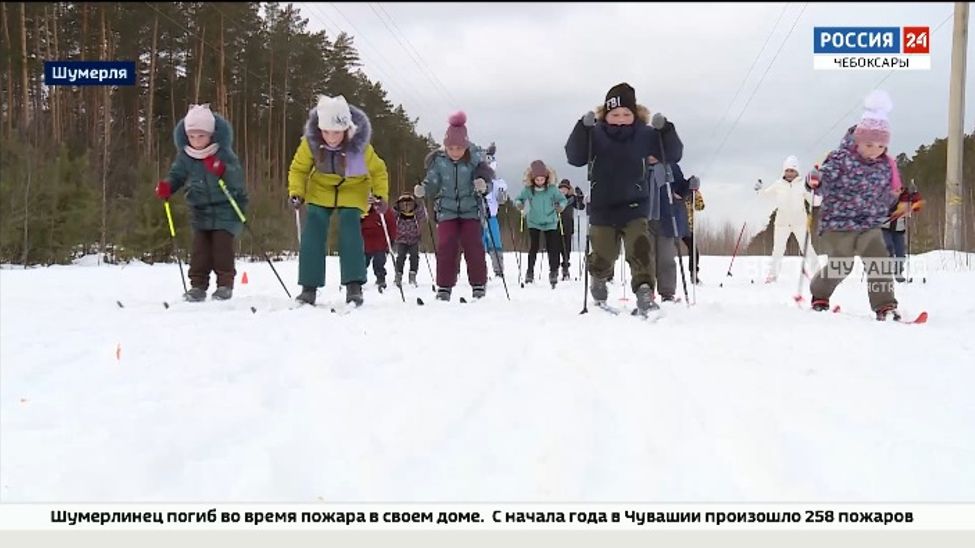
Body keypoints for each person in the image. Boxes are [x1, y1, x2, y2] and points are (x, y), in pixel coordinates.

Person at [565, 82, 683, 316]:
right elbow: (574, 157)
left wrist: (666, 131)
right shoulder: (595, 134)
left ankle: (645, 293)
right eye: (615, 114)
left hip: (635, 205)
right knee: (603, 254)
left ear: (635, 113)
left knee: (640, 250)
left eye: (626, 114)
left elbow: (672, 154)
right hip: (602, 207)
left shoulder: (644, 134)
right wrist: (582, 128)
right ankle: (598, 281)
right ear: (605, 114)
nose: (620, 119)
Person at [807, 90, 905, 321]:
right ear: (857, 141)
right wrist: (816, 179)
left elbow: (886, 197)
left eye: (881, 146)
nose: (875, 151)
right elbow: (825, 180)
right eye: (869, 145)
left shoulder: (885, 166)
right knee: (842, 264)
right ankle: (819, 293)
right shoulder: (841, 158)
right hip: (838, 223)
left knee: (879, 260)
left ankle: (885, 306)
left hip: (868, 224)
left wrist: (896, 201)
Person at [288, 95, 389, 307]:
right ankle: (309, 287)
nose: (331, 138)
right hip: (321, 188)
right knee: (314, 224)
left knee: (350, 224)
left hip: (353, 189)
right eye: (326, 132)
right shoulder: (312, 143)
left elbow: (379, 171)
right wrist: (297, 192)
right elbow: (298, 169)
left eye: (336, 132)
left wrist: (381, 196)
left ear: (346, 129)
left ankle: (354, 285)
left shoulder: (359, 146)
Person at [156, 104, 248, 302]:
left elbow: (237, 178)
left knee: (222, 247)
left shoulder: (222, 153)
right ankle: (197, 286)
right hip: (200, 210)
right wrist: (167, 187)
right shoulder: (186, 156)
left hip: (226, 207)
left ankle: (224, 284)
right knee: (200, 250)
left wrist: (221, 169)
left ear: (211, 135)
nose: (196, 141)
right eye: (192, 137)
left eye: (201, 136)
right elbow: (177, 175)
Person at [413, 111, 495, 301]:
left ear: (466, 146)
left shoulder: (475, 160)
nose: (455, 152)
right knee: (446, 245)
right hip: (447, 211)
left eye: (459, 148)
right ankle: (444, 286)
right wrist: (423, 190)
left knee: (473, 245)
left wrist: (483, 186)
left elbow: (487, 182)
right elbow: (432, 182)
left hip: (471, 211)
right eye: (451, 148)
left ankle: (478, 284)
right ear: (446, 147)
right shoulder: (440, 162)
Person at [755, 155, 819, 283]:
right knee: (778, 250)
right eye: (787, 170)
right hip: (782, 223)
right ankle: (772, 275)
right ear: (784, 171)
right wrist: (759, 189)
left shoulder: (802, 185)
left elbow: (813, 201)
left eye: (792, 171)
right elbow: (766, 194)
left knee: (807, 248)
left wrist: (818, 190)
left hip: (799, 222)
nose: (789, 173)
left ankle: (818, 274)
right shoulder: (779, 184)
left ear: (797, 172)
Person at [515, 161, 568, 287]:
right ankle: (530, 272)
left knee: (552, 248)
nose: (540, 181)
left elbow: (562, 200)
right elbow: (519, 198)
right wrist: (519, 204)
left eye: (542, 179)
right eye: (537, 179)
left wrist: (560, 207)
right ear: (533, 179)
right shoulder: (529, 190)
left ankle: (553, 271)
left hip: (551, 221)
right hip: (534, 221)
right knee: (534, 247)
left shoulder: (552, 189)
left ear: (546, 177)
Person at [649, 159, 690, 302]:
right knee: (647, 258)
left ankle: (667, 293)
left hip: (666, 219)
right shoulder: (638, 164)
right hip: (643, 219)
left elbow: (682, 186)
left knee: (666, 258)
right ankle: (646, 292)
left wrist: (684, 189)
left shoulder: (670, 166)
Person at [881, 182, 923, 283]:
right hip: (884, 227)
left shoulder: (906, 196)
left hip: (898, 229)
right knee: (888, 247)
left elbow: (917, 207)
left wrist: (915, 194)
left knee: (900, 253)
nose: (898, 191)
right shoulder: (886, 194)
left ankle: (898, 272)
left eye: (900, 189)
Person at [482, 143, 509, 277]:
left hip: (492, 216)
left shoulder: (498, 183)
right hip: (477, 217)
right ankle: (479, 271)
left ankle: (498, 270)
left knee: (495, 244)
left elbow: (501, 199)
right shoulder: (475, 181)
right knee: (478, 244)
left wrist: (502, 195)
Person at [361, 197, 397, 291]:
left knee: (379, 263)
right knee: (362, 263)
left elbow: (391, 223)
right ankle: (358, 280)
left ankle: (381, 279)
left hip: (380, 243)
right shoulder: (362, 209)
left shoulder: (383, 209)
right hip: (365, 243)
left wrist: (392, 239)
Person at [392, 194, 428, 287]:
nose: (406, 206)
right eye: (403, 204)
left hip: (414, 239)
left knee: (414, 257)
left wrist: (421, 203)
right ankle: (398, 275)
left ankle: (413, 275)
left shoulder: (416, 214)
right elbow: (391, 215)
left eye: (409, 204)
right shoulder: (398, 214)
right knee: (400, 257)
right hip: (401, 239)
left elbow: (423, 216)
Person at [557, 179, 586, 281]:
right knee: (556, 248)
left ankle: (565, 268)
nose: (563, 190)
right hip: (556, 225)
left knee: (566, 249)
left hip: (568, 225)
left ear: (568, 189)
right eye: (561, 188)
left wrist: (580, 196)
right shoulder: (556, 198)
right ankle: (555, 269)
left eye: (565, 189)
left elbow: (581, 206)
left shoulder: (572, 198)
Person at [683, 177, 704, 284]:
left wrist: (697, 195)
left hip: (688, 228)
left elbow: (700, 207)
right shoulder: (682, 192)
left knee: (694, 251)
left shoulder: (694, 196)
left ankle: (694, 274)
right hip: (677, 225)